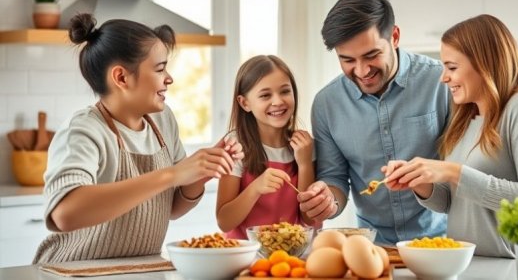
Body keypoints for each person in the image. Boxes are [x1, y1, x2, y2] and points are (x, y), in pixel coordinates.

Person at [33, 13, 243, 264]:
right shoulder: (83, 130)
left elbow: (172, 209)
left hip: (135, 269)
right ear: (121, 77)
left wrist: (199, 174)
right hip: (71, 270)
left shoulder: (163, 122)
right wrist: (172, 174)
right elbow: (65, 214)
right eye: (160, 68)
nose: (169, 78)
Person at [383, 14, 518, 258]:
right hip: (467, 262)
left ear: (485, 63)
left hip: (511, 266)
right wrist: (420, 181)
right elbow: (451, 203)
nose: (444, 77)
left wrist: (453, 172)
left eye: (452, 67)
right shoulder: (467, 117)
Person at [298, 0, 450, 245]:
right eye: (347, 60)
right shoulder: (327, 105)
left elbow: (463, 168)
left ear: (395, 37)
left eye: (371, 55)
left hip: (444, 243)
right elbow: (335, 179)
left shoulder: (441, 83)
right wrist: (327, 199)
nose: (362, 70)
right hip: (373, 247)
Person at [216, 55, 317, 239]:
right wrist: (256, 188)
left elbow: (309, 219)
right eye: (265, 95)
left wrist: (305, 164)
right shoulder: (235, 145)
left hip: (287, 258)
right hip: (243, 258)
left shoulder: (303, 146)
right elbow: (224, 221)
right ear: (245, 103)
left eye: (285, 91)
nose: (278, 101)